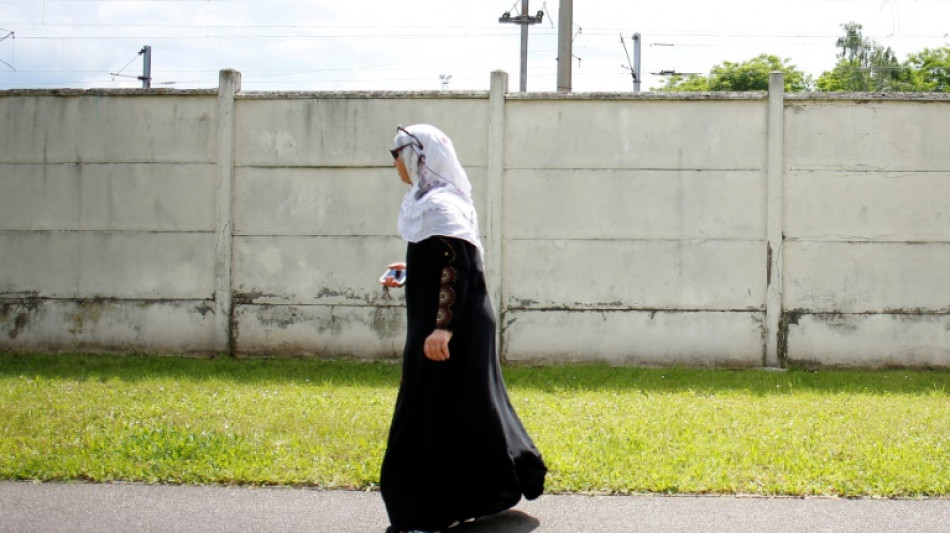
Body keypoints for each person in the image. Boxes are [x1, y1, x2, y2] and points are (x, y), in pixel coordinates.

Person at [379, 124, 547, 533]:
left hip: (452, 330)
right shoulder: (431, 201)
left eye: (396, 153)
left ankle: (422, 510)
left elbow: (459, 266)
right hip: (454, 325)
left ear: (418, 155)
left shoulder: (440, 204)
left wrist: (443, 329)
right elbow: (442, 261)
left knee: (426, 410)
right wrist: (410, 271)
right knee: (463, 408)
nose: (394, 162)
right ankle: (485, 489)